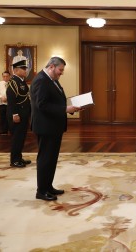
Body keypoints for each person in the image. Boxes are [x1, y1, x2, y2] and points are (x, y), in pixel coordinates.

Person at [30, 57, 81, 201]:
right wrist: (66, 109)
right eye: (61, 70)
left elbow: (56, 101)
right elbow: (43, 105)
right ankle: (41, 191)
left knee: (51, 158)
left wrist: (70, 109)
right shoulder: (41, 80)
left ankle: (48, 186)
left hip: (53, 126)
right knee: (45, 159)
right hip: (45, 127)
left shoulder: (51, 80)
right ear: (52, 66)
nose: (62, 73)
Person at [6, 59, 31, 168]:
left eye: (25, 68)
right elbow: (11, 100)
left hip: (24, 113)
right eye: (23, 68)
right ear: (16, 70)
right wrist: (15, 114)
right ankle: (14, 160)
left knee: (21, 137)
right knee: (17, 138)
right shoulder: (13, 82)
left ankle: (19, 157)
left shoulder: (21, 81)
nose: (26, 70)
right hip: (17, 114)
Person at [0, 71, 11, 135]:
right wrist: (1, 97)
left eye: (7, 76)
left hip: (10, 103)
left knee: (10, 117)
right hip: (1, 103)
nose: (5, 77)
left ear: (9, 76)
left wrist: (8, 98)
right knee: (3, 117)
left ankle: (11, 130)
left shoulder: (13, 83)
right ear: (2, 77)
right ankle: (4, 131)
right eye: (4, 76)